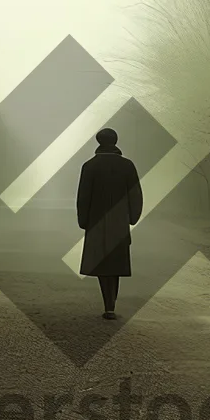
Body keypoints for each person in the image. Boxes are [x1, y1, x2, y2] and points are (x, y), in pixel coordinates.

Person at [76, 127, 142, 319]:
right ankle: (111, 304)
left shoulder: (89, 166)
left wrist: (84, 221)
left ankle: (109, 305)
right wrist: (132, 217)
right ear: (115, 141)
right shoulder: (127, 166)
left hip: (96, 222)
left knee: (102, 264)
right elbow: (135, 195)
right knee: (117, 262)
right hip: (119, 222)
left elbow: (83, 197)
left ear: (99, 142)